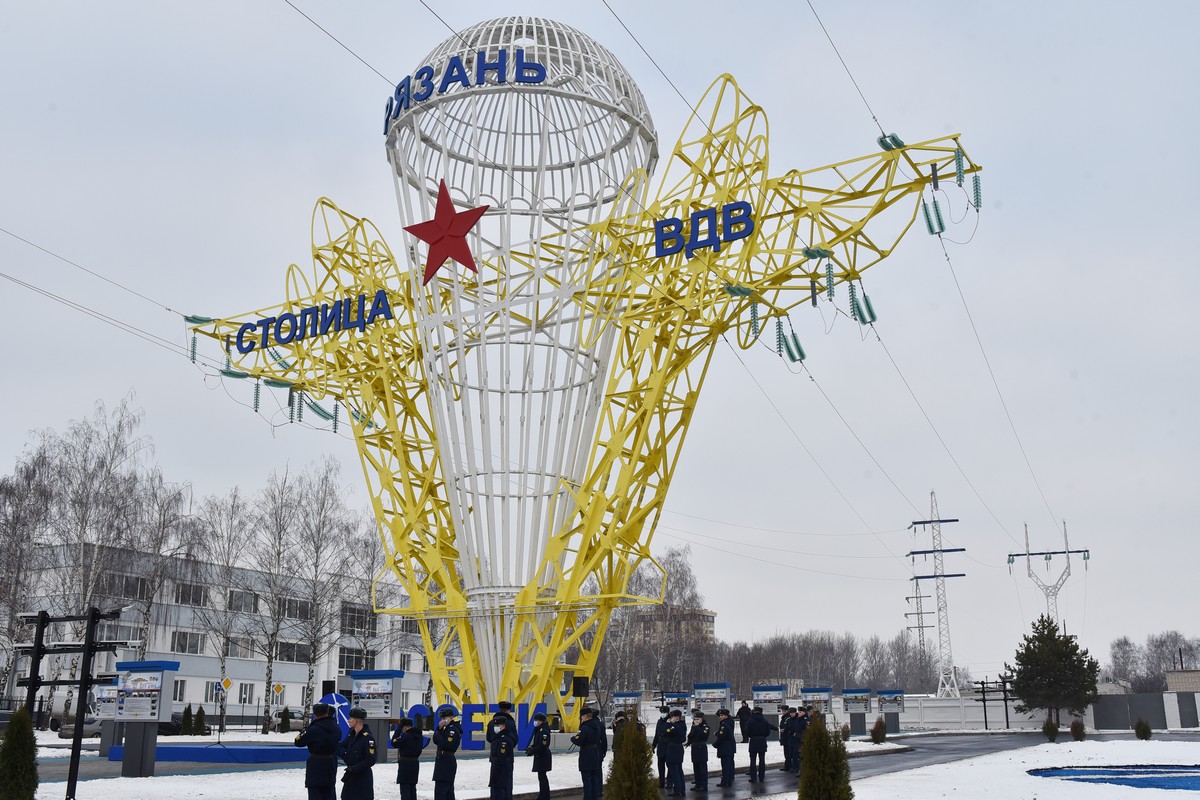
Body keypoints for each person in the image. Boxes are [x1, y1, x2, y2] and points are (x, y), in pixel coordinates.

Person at [294, 702, 342, 800]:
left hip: (316, 766)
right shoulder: (337, 728)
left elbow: (298, 742)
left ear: (315, 714)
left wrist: (306, 730)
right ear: (327, 712)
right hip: (331, 765)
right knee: (329, 792)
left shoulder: (313, 729)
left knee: (315, 793)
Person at [338, 707, 376, 800]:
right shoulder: (351, 735)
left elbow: (371, 759)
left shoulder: (367, 738)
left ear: (357, 720)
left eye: (350, 719)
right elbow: (341, 747)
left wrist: (354, 768)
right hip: (351, 778)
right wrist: (346, 756)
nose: (348, 721)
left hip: (362, 779)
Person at [570, 707, 603, 800]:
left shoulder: (585, 728)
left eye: (581, 717)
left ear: (585, 717)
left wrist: (573, 739)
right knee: (594, 778)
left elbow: (580, 740)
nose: (581, 719)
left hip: (586, 754)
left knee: (587, 779)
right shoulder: (597, 726)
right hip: (595, 752)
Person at [432, 707, 463, 800]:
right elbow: (435, 740)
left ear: (451, 718)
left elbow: (446, 744)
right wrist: (439, 729)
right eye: (442, 719)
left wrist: (438, 734)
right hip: (443, 761)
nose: (443, 721)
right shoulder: (446, 729)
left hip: (446, 762)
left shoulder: (452, 730)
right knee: (448, 792)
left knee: (441, 792)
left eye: (445, 718)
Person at [391, 717, 425, 800]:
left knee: (405, 789)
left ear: (405, 727)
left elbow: (394, 743)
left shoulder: (406, 736)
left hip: (405, 765)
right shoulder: (419, 736)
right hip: (415, 763)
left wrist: (398, 730)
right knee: (412, 788)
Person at [488, 713, 518, 800]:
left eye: (498, 725)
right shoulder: (497, 738)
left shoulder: (505, 740)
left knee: (501, 793)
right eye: (495, 725)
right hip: (497, 769)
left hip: (501, 771)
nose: (496, 727)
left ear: (503, 726)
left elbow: (502, 758)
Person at [525, 710, 553, 800]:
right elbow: (537, 743)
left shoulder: (544, 731)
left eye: (536, 720)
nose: (535, 722)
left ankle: (544, 796)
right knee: (541, 777)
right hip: (540, 756)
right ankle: (543, 795)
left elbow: (543, 745)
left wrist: (533, 751)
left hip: (543, 756)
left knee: (542, 777)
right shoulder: (539, 730)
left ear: (541, 721)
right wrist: (531, 748)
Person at [744, 706, 776, 783]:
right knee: (762, 760)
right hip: (762, 740)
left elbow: (747, 731)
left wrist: (751, 736)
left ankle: (753, 777)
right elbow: (767, 732)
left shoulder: (750, 720)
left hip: (753, 741)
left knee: (753, 760)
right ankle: (761, 777)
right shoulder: (764, 721)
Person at [663, 709, 687, 797]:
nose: (671, 718)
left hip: (673, 748)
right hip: (679, 748)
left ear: (677, 718)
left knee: (674, 770)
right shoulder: (682, 725)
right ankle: (682, 789)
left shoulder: (675, 726)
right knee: (679, 770)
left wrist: (668, 723)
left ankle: (678, 790)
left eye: (672, 717)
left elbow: (664, 731)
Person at [686, 710, 710, 792]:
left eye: (698, 719)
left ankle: (703, 785)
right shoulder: (694, 726)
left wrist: (696, 727)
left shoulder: (705, 727)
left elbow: (703, 736)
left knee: (702, 768)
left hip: (701, 747)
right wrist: (688, 742)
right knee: (696, 767)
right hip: (695, 747)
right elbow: (690, 736)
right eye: (695, 719)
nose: (696, 720)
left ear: (702, 719)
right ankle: (698, 784)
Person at [712, 708, 736, 787]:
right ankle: (729, 779)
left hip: (725, 747)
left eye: (722, 715)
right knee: (730, 763)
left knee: (725, 765)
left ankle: (725, 781)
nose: (720, 717)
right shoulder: (730, 721)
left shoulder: (724, 724)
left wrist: (715, 744)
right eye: (720, 715)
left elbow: (722, 736)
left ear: (726, 716)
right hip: (730, 746)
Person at [651, 705, 671, 788]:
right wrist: (653, 745)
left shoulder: (670, 721)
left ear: (668, 713)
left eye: (664, 712)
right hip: (661, 746)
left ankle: (670, 782)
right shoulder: (659, 721)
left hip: (668, 746)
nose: (663, 714)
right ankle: (661, 782)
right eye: (662, 712)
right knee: (660, 765)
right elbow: (657, 734)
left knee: (669, 765)